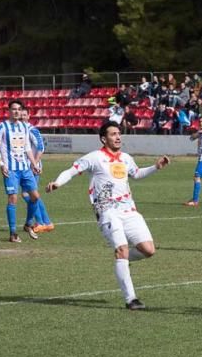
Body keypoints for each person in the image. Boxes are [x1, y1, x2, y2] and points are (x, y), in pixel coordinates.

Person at [46, 121, 170, 310]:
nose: (118, 137)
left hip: (129, 210)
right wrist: (57, 183)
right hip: (107, 211)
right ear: (104, 138)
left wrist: (155, 167)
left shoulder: (126, 158)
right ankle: (131, 299)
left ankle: (123, 262)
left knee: (148, 250)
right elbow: (72, 171)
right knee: (121, 249)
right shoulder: (94, 157)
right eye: (113, 134)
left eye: (119, 133)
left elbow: (136, 174)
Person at [0, 100, 43, 243]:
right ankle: (13, 233)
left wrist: (34, 164)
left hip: (25, 169)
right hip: (11, 169)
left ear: (21, 112)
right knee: (13, 198)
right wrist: (1, 164)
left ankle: (27, 224)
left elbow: (27, 147)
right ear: (8, 111)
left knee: (35, 197)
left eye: (19, 109)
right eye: (13, 109)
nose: (16, 112)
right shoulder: (1, 127)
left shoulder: (24, 127)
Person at [21, 108, 54, 233]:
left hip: (32, 168)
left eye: (25, 115)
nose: (22, 117)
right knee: (29, 194)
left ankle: (42, 222)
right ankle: (45, 222)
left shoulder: (32, 130)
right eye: (21, 115)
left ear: (29, 116)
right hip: (25, 168)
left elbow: (41, 147)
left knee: (29, 195)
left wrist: (34, 163)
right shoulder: (21, 130)